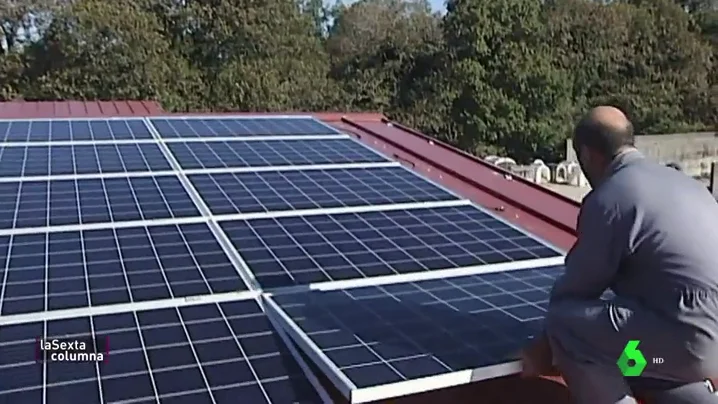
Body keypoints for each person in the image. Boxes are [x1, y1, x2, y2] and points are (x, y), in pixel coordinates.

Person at [521, 106, 718, 403]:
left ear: (587, 155)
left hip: (686, 342)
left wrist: (543, 346)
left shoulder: (612, 197)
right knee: (634, 359)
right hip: (696, 352)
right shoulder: (685, 183)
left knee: (563, 322)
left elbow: (577, 288)